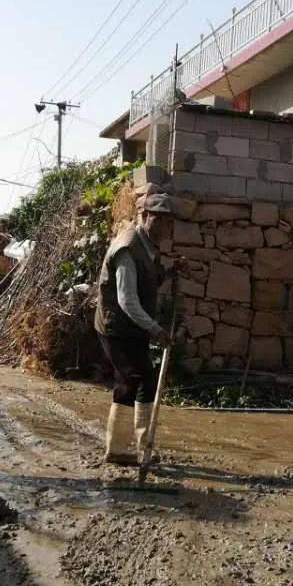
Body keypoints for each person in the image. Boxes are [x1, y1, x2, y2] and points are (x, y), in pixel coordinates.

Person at [93, 184, 175, 465]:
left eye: (168, 220)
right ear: (144, 215)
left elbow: (148, 280)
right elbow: (127, 300)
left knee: (138, 379)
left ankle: (135, 444)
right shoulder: (128, 248)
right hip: (116, 326)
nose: (164, 225)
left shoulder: (147, 246)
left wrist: (172, 272)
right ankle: (120, 448)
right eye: (158, 218)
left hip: (132, 326)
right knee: (135, 378)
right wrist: (156, 330)